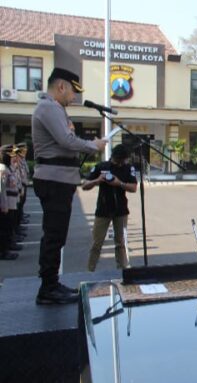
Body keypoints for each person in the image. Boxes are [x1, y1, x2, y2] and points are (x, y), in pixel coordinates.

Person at [32, 67, 107, 304]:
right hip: (53, 181)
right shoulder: (48, 107)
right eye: (73, 91)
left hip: (60, 180)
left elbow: (65, 143)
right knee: (54, 236)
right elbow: (66, 140)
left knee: (57, 235)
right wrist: (93, 145)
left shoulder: (56, 109)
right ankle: (48, 288)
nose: (74, 97)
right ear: (61, 86)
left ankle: (52, 283)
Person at [83, 144, 137, 271]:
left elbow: (134, 187)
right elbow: (84, 185)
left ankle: (122, 269)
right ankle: (90, 270)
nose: (122, 163)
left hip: (121, 210)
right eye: (120, 160)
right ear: (115, 157)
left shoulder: (128, 168)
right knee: (97, 243)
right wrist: (97, 181)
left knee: (120, 243)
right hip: (103, 210)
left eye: (123, 160)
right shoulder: (102, 167)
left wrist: (119, 183)